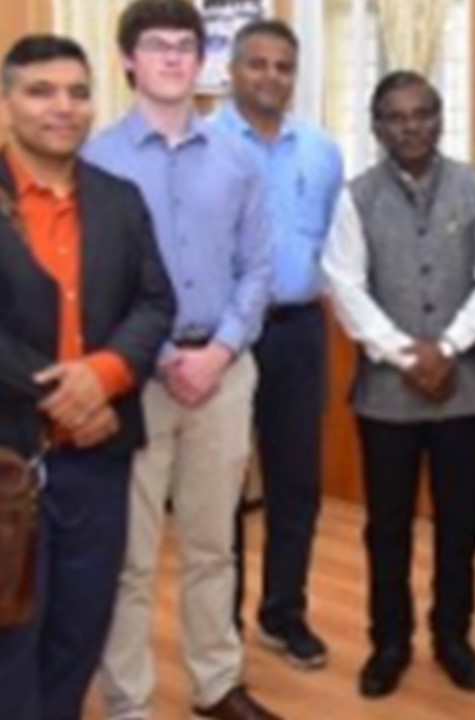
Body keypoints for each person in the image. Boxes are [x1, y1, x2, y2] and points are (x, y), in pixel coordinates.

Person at [85, 2, 278, 718]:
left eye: (184, 46)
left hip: (224, 374)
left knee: (212, 544)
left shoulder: (238, 159)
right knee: (131, 556)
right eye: (156, 45)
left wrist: (219, 350)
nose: (171, 57)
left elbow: (259, 268)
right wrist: (162, 355)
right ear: (127, 59)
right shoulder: (96, 159)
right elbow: (96, 281)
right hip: (133, 379)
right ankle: (128, 701)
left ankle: (217, 682)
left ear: (202, 62)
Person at [0, 34, 175, 720]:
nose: (63, 107)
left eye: (77, 92)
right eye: (41, 91)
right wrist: (65, 395)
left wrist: (103, 376)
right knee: (11, 637)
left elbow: (156, 302)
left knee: (80, 627)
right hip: (9, 458)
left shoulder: (120, 200)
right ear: (7, 104)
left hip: (99, 454)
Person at [323, 71, 475, 700]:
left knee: (460, 522)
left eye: (423, 113)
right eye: (396, 117)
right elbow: (345, 285)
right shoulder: (356, 197)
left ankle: (453, 637)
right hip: (388, 392)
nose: (411, 126)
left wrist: (448, 347)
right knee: (388, 526)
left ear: (440, 118)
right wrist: (406, 355)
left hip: (466, 387)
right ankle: (389, 643)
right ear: (377, 127)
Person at [215, 18, 343, 671]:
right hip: (224, 337)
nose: (271, 76)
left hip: (299, 330)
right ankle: (220, 623)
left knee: (297, 483)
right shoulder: (203, 145)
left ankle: (283, 613)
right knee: (222, 484)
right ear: (232, 70)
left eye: (283, 66)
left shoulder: (322, 151)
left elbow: (336, 247)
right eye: (257, 63)